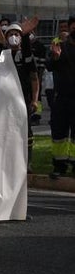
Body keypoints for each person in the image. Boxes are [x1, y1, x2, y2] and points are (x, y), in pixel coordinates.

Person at [5, 23, 40, 167]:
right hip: (5, 101)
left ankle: (27, 162)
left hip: (23, 99)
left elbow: (34, 78)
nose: (14, 37)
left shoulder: (26, 56)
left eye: (17, 34)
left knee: (26, 131)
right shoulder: (1, 55)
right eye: (10, 34)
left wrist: (35, 100)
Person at [48, 16, 75, 179]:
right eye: (73, 26)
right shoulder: (60, 47)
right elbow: (50, 66)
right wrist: (55, 57)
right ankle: (59, 165)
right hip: (62, 97)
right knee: (59, 133)